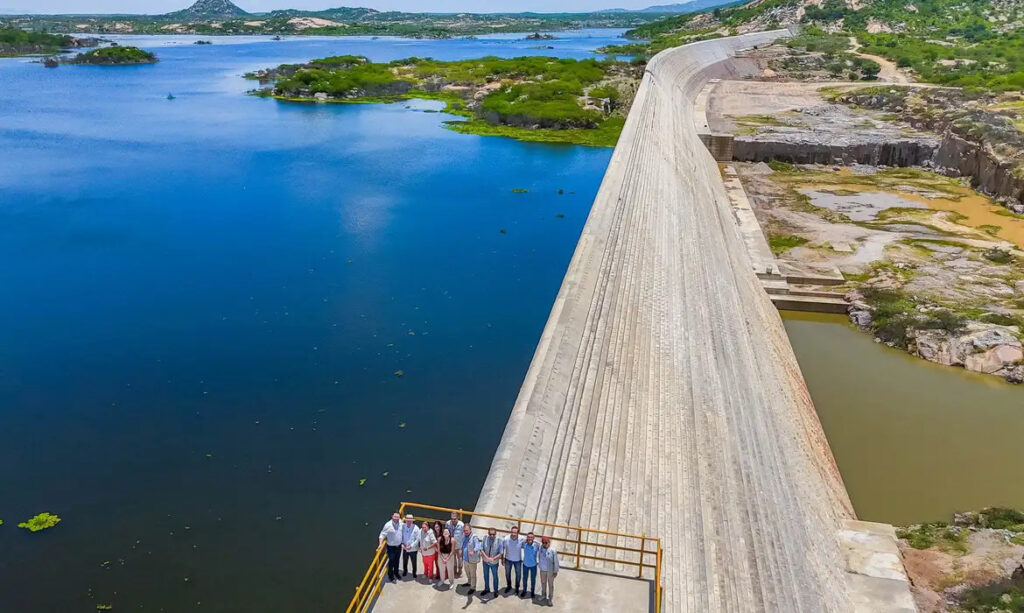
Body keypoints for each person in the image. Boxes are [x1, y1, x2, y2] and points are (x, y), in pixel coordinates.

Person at [377, 512, 403, 583]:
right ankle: (391, 576)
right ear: (392, 517)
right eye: (395, 517)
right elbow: (382, 535)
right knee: (391, 561)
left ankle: (396, 573)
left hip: (399, 546)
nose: (396, 518)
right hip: (391, 547)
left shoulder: (401, 523)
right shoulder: (388, 525)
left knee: (397, 560)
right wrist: (380, 544)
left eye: (398, 517)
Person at [479, 527, 503, 597]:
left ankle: (496, 590)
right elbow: (481, 548)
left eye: (493, 534)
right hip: (485, 561)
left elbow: (501, 552)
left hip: (494, 563)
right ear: (488, 533)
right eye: (490, 534)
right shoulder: (485, 538)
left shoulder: (499, 540)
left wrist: (493, 558)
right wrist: (486, 557)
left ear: (496, 534)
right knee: (486, 575)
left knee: (495, 576)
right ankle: (487, 589)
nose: (492, 536)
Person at [538, 535, 560, 605]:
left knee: (550, 585)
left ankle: (550, 598)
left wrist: (555, 571)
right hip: (542, 569)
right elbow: (534, 541)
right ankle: (543, 595)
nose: (545, 544)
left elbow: (556, 561)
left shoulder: (553, 550)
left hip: (550, 570)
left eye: (546, 542)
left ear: (549, 542)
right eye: (543, 542)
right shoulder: (540, 548)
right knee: (543, 583)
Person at [461, 524, 482, 594]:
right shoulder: (464, 536)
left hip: (472, 560)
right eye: (464, 530)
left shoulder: (474, 537)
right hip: (465, 559)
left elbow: (478, 546)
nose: (465, 532)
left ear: (470, 530)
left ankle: (473, 587)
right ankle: (469, 582)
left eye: (467, 530)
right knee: (467, 573)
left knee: (473, 574)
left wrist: (473, 551)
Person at [502, 525, 523, 595]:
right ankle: (509, 586)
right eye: (512, 532)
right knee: (507, 574)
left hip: (518, 560)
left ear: (518, 533)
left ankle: (517, 588)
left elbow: (530, 541)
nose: (513, 534)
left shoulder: (522, 538)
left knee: (518, 575)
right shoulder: (506, 538)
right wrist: (502, 559)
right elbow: (502, 548)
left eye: (515, 533)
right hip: (508, 559)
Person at [521, 531, 540, 599]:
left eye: (531, 537)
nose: (530, 538)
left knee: (533, 579)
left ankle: (532, 591)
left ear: (533, 538)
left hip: (533, 565)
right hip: (525, 564)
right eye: (528, 537)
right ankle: (524, 590)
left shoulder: (536, 545)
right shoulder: (524, 544)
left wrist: (534, 540)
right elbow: (520, 542)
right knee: (525, 578)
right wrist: (525, 540)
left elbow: (540, 545)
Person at [446, 511, 465, 577]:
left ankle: (460, 571)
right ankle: (454, 571)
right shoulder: (448, 523)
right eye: (452, 518)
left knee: (460, 558)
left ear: (458, 518)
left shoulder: (461, 525)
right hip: (451, 545)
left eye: (454, 519)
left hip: (459, 545)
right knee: (453, 559)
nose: (453, 520)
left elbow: (464, 534)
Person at [400, 514, 419, 578]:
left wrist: (411, 546)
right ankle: (405, 571)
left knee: (414, 562)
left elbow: (417, 539)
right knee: (405, 561)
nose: (409, 522)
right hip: (405, 548)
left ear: (412, 521)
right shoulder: (402, 526)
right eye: (407, 520)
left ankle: (414, 572)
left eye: (410, 521)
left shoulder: (416, 528)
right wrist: (402, 543)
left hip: (413, 549)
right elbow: (401, 536)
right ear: (405, 521)